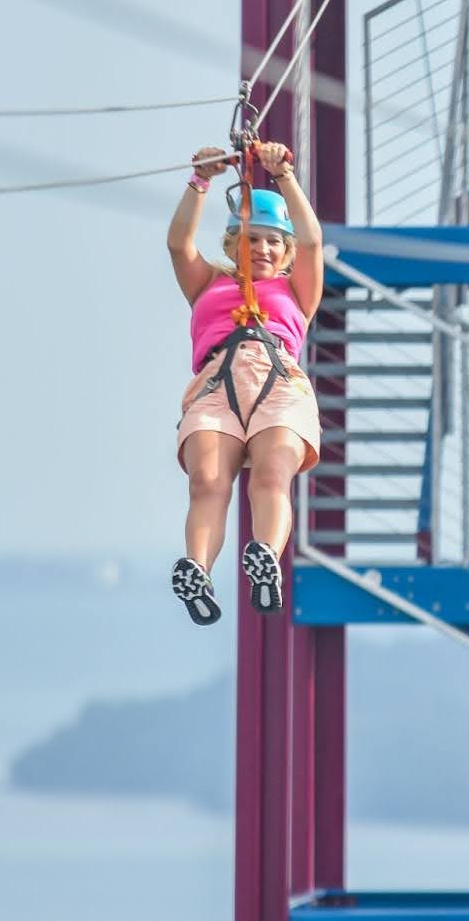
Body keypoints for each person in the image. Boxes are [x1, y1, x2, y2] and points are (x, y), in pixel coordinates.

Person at [165, 141, 323, 625]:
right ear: (235, 243)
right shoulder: (209, 283)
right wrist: (200, 181)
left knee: (273, 474)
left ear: (285, 250)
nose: (263, 249)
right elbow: (179, 245)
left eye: (274, 241)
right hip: (216, 384)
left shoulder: (296, 288)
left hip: (278, 381)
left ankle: (266, 559)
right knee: (207, 481)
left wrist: (284, 176)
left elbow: (313, 242)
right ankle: (198, 569)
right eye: (253, 239)